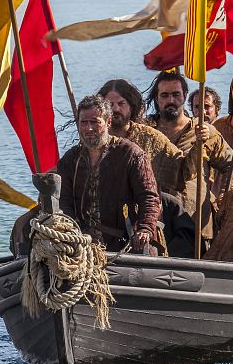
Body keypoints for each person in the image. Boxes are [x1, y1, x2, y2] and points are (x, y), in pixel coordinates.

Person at [145, 71, 233, 252]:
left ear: (184, 97)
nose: (170, 100)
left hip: (194, 220)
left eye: (175, 94)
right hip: (156, 220)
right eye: (164, 95)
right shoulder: (146, 131)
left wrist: (226, 198)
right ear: (157, 99)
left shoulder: (204, 131)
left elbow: (232, 165)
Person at [57, 94, 161, 253]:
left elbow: (149, 197)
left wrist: (145, 228)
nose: (89, 128)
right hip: (81, 245)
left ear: (108, 122)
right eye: (84, 122)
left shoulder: (131, 154)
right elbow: (63, 200)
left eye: (95, 122)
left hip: (123, 244)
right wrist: (70, 232)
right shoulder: (71, 159)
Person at [98, 79, 185, 195]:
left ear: (131, 105)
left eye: (121, 103)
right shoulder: (94, 138)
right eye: (109, 104)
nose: (115, 109)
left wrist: (198, 148)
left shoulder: (150, 137)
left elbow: (180, 168)